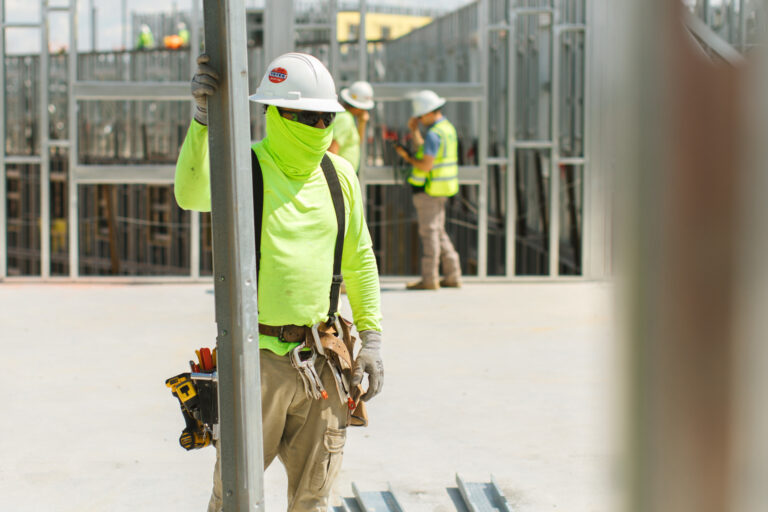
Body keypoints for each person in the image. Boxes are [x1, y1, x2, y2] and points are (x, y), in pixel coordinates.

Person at [175, 52, 384, 512]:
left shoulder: (339, 175)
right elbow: (190, 194)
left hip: (323, 358)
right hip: (255, 361)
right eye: (307, 116)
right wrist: (203, 122)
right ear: (274, 113)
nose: (318, 126)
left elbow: (360, 259)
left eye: (325, 117)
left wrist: (371, 338)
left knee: (315, 498)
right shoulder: (245, 168)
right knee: (234, 498)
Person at [394, 90, 462, 290]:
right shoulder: (447, 129)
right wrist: (414, 131)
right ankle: (453, 275)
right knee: (439, 232)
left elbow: (425, 164)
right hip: (442, 187)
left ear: (430, 112)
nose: (420, 120)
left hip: (428, 189)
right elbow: (426, 150)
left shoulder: (433, 134)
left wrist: (407, 158)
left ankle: (429, 279)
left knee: (429, 233)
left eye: (421, 116)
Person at [328, 81, 375, 173]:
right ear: (359, 107)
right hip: (339, 175)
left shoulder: (347, 117)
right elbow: (332, 150)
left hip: (344, 175)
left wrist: (362, 123)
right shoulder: (345, 119)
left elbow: (356, 143)